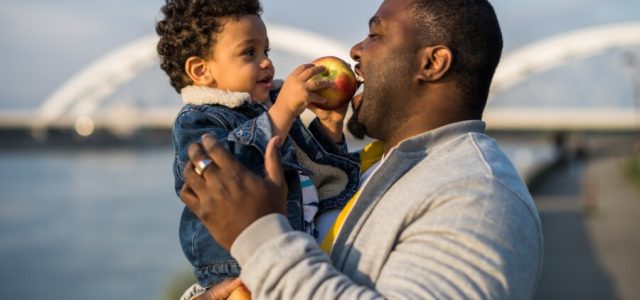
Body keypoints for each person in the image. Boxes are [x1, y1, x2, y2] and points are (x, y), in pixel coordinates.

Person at [181, 0, 544, 299]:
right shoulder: (383, 169)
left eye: (375, 34)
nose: (355, 50)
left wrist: (258, 236)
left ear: (432, 63)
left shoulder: (478, 197)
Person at [155, 0, 361, 297]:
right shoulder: (198, 120)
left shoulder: (268, 111)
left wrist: (329, 126)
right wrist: (286, 109)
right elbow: (233, 169)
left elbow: (320, 176)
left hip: (289, 257)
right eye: (249, 52)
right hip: (237, 270)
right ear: (201, 70)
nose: (266, 62)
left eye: (266, 50)